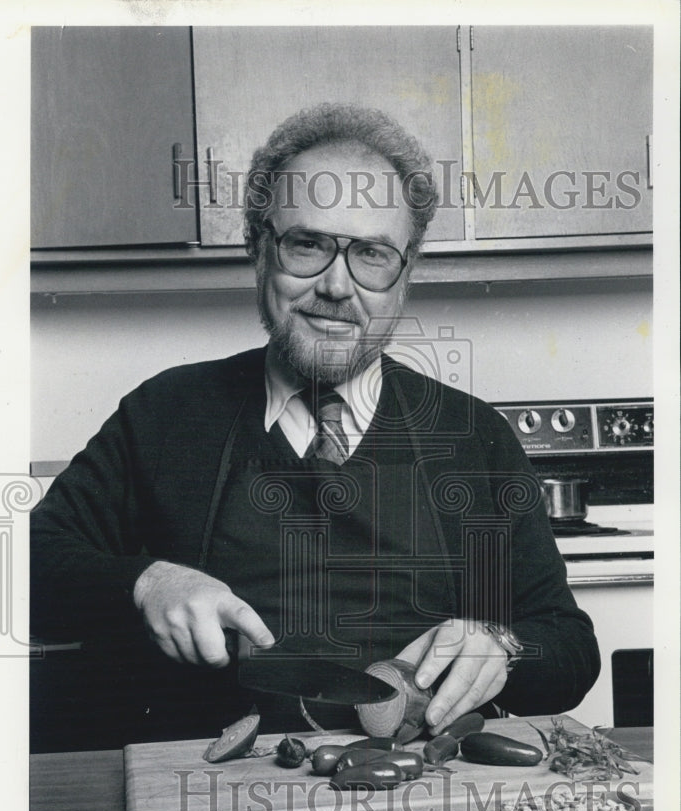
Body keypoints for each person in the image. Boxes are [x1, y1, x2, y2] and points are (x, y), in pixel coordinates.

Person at [30, 103, 600, 742]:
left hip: (414, 791)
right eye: (308, 244)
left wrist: (503, 646)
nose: (336, 285)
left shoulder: (472, 437)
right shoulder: (166, 414)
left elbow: (568, 646)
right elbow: (31, 566)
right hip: (201, 793)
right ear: (257, 248)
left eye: (373, 255)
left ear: (406, 275)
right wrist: (147, 581)